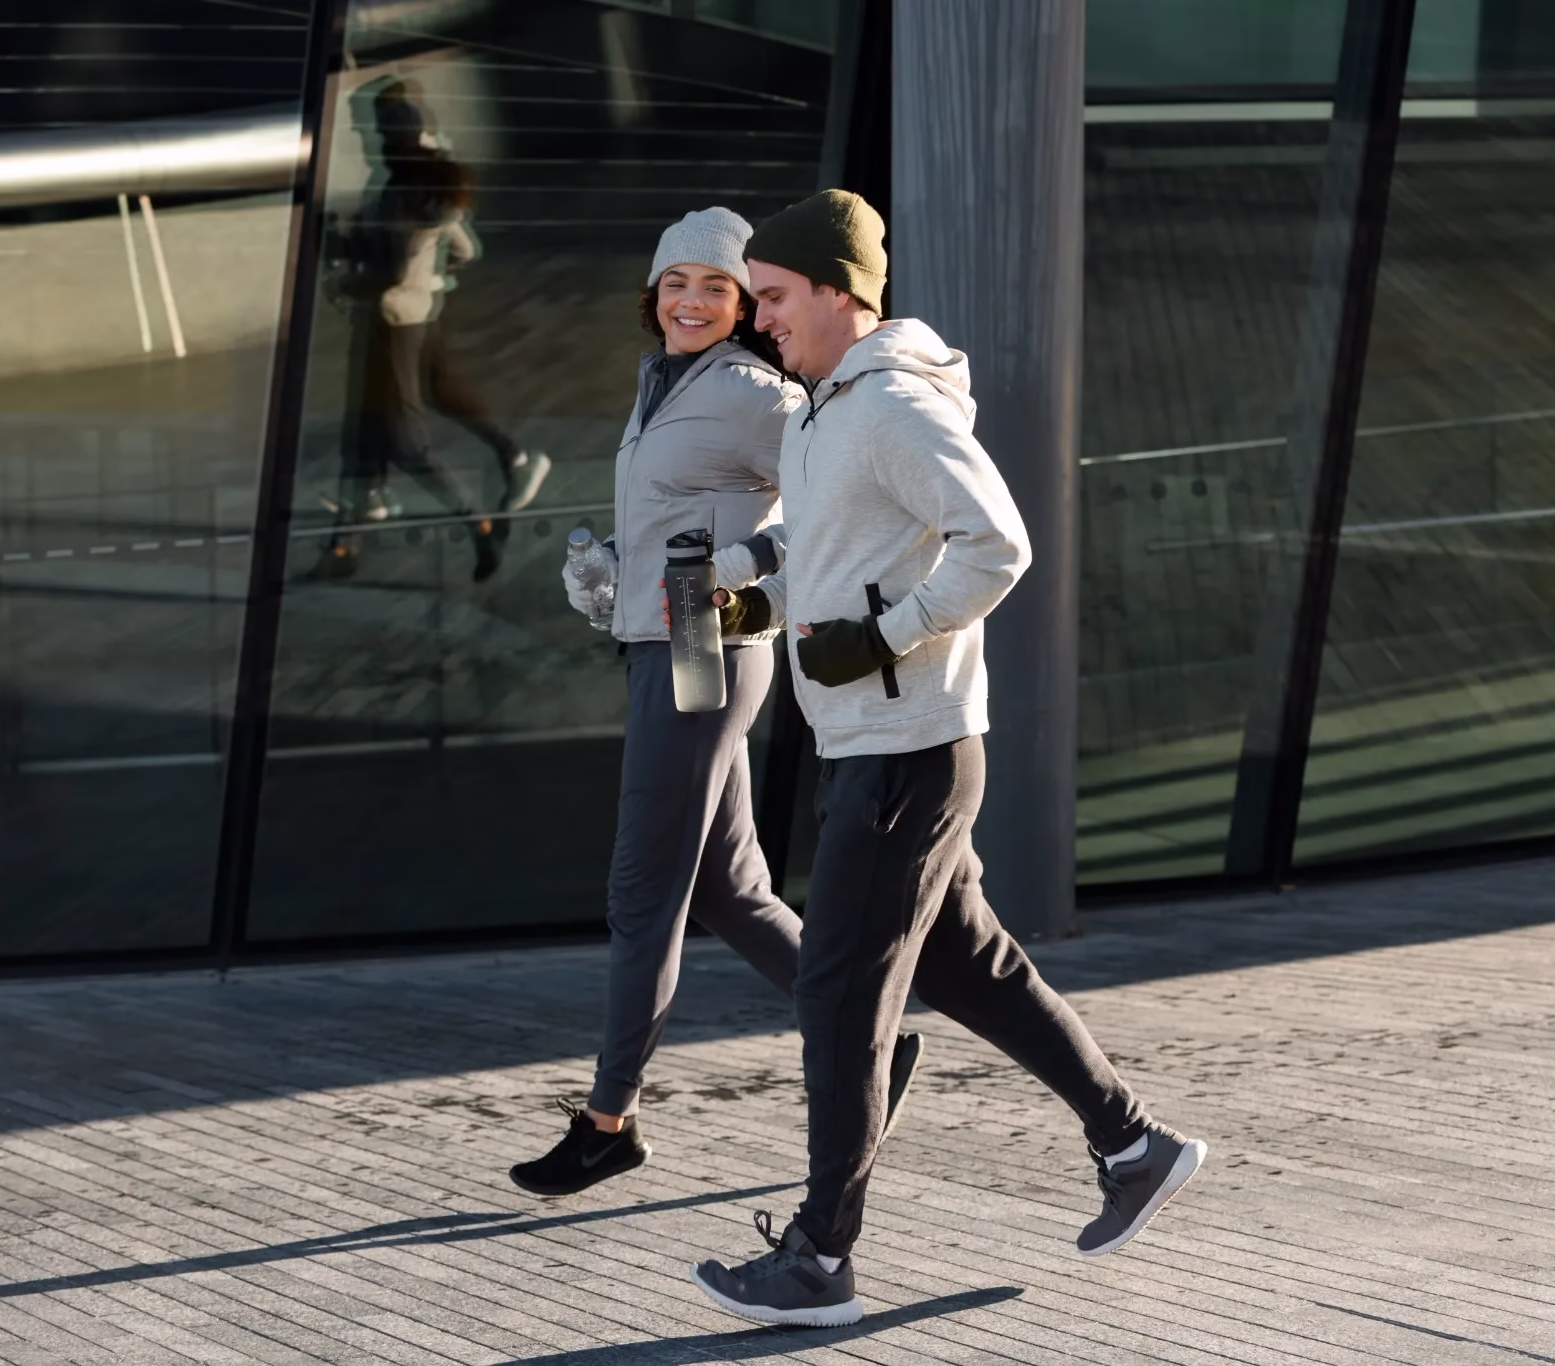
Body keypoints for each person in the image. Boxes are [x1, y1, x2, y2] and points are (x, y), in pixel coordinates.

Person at [685, 190, 1206, 1327]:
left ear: (838, 290)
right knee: (973, 969)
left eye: (771, 297)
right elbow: (835, 559)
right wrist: (751, 606)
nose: (755, 319)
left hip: (906, 754)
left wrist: (880, 636)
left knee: (834, 994)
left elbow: (996, 543)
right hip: (882, 747)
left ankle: (820, 1258)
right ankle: (1133, 1142)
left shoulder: (890, 409)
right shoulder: (826, 410)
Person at [507, 207, 925, 1198]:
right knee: (728, 889)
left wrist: (731, 568)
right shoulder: (664, 384)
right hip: (666, 633)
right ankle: (875, 1043)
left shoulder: (748, 392)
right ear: (650, 295)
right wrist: (614, 568)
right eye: (675, 284)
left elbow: (838, 499)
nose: (691, 301)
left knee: (641, 889)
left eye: (716, 288)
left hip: (705, 641)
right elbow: (681, 520)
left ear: (742, 307)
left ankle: (608, 1118)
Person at [310, 81, 548, 581]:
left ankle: (479, 525)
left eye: (374, 126)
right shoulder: (423, 179)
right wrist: (429, 279)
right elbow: (458, 248)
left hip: (391, 322)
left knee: (404, 439)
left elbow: (391, 268)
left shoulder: (405, 188)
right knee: (365, 436)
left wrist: (345, 273)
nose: (366, 135)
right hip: (403, 317)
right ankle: (342, 548)